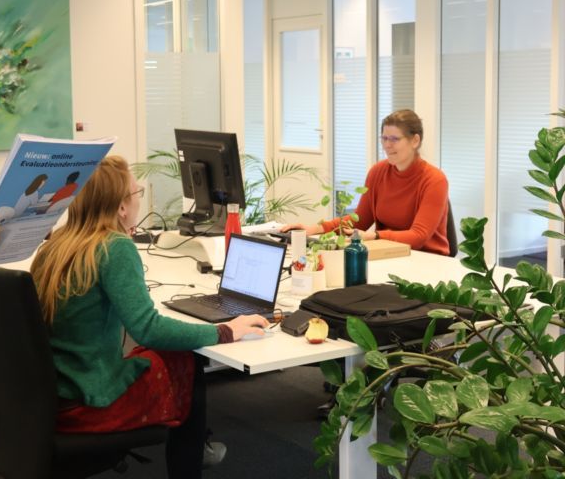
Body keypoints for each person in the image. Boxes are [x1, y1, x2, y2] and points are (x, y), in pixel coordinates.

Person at [31, 156, 268, 478]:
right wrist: (225, 331)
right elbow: (148, 329)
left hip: (54, 394)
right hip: (90, 401)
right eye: (136, 191)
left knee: (166, 352)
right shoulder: (113, 247)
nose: (139, 196)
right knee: (187, 360)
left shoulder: (56, 244)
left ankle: (196, 449)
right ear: (121, 208)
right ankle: (191, 460)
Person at [282, 109, 450, 255]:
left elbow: (418, 236)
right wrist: (314, 229)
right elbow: (359, 219)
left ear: (415, 140)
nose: (387, 145)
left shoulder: (434, 180)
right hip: (388, 252)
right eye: (384, 138)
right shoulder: (378, 172)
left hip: (426, 258)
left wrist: (376, 236)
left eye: (394, 139)